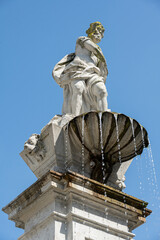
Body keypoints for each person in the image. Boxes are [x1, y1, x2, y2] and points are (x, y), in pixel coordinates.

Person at [52, 22, 109, 116]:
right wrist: (102, 57)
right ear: (92, 31)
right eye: (98, 31)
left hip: (92, 72)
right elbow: (94, 48)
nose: (100, 35)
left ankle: (105, 118)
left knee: (102, 91)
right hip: (78, 69)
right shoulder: (82, 40)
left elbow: (102, 69)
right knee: (78, 89)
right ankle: (75, 117)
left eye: (102, 33)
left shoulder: (97, 56)